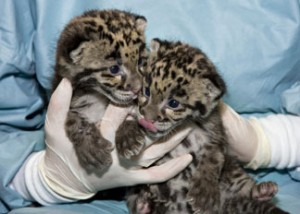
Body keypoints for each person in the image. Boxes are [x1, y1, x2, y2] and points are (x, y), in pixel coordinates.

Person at [1, 0, 299, 213]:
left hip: (267, 181)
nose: (134, 86)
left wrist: (271, 142)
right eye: (117, 70)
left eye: (140, 63)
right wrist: (45, 180)